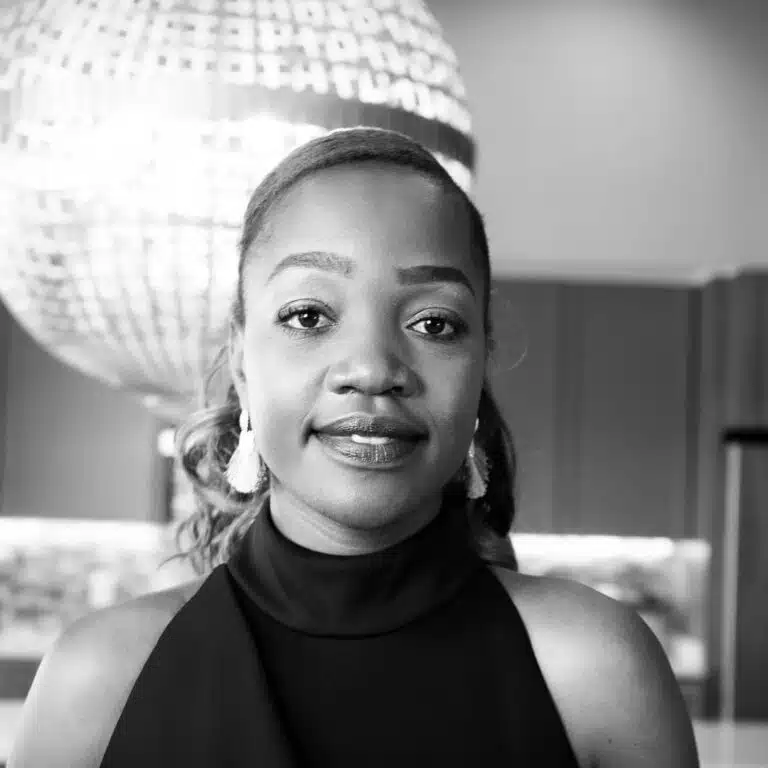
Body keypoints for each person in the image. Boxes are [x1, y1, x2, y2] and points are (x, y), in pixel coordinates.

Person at [8, 128, 699, 768]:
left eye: (434, 323)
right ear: (242, 362)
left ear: (480, 362)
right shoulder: (98, 681)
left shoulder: (597, 672)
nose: (371, 368)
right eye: (309, 316)